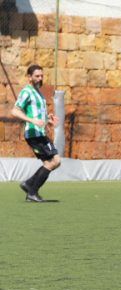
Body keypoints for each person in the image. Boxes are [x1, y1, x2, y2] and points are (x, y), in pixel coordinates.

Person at [11, 64, 60, 202]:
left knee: (51, 162)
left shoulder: (38, 92)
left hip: (40, 132)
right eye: (37, 76)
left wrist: (47, 119)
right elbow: (15, 111)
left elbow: (38, 115)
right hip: (34, 134)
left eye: (42, 76)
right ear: (29, 77)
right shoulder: (27, 91)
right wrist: (31, 120)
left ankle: (29, 185)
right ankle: (32, 192)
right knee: (55, 161)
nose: (40, 78)